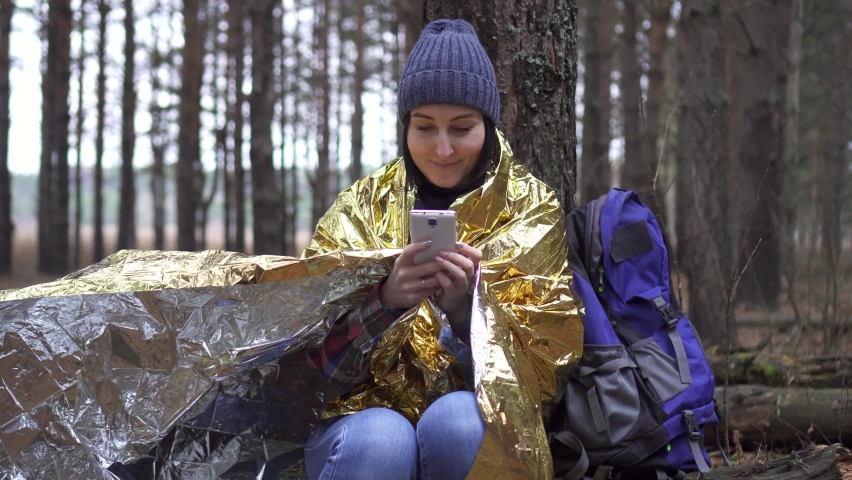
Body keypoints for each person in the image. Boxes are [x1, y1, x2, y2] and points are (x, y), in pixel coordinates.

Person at [301, 18, 581, 480]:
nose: (443, 149)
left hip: (473, 425)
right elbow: (310, 370)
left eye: (462, 127)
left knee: (458, 422)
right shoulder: (359, 208)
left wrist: (468, 314)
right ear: (405, 127)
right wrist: (386, 301)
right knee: (381, 439)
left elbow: (544, 381)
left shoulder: (528, 209)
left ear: (488, 127)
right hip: (359, 432)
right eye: (425, 127)